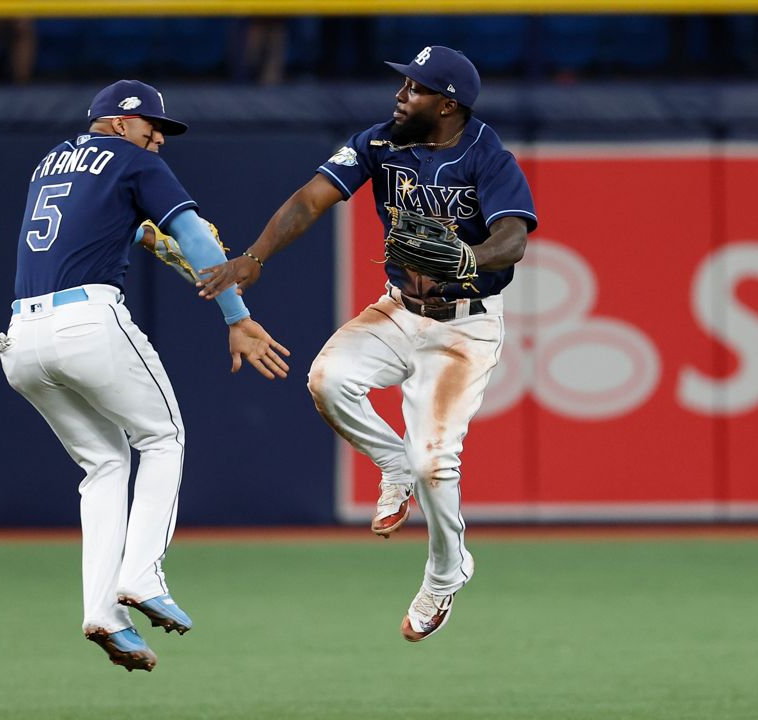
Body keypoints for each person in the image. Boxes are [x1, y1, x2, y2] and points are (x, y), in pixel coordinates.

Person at [199, 46, 536, 642]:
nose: (401, 94)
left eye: (415, 88)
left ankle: (446, 570)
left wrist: (467, 257)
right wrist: (253, 257)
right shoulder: (378, 143)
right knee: (327, 381)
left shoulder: (487, 154)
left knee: (436, 463)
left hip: (464, 325)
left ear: (448, 104)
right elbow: (310, 199)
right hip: (398, 309)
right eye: (403, 83)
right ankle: (389, 460)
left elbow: (512, 239)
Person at [0, 79, 290, 672]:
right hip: (87, 322)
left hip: (20, 339)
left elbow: (100, 224)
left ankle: (103, 613)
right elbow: (195, 236)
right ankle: (144, 575)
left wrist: (143, 229)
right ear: (120, 122)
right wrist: (237, 316)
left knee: (103, 464)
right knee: (162, 438)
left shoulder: (49, 163)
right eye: (151, 125)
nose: (159, 139)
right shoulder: (129, 158)